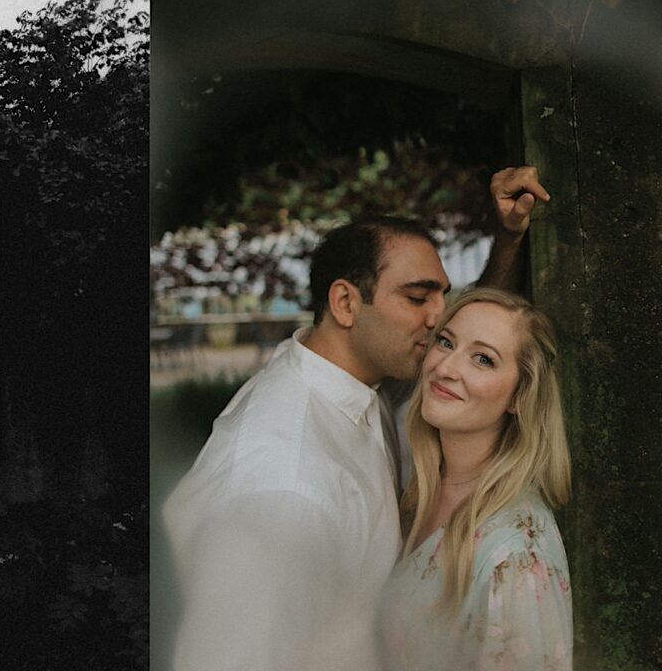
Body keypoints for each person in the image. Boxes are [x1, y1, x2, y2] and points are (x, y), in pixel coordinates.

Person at [162, 166, 549, 671]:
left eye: (441, 296)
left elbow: (472, 360)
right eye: (417, 298)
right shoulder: (283, 490)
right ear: (346, 303)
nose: (441, 318)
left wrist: (507, 243)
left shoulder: (350, 382)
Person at [378, 288, 572, 670]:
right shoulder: (416, 493)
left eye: (483, 359)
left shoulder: (516, 555)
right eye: (446, 342)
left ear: (519, 396)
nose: (447, 367)